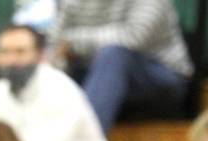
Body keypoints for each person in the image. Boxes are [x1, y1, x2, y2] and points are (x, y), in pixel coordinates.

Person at [47, 0, 193, 133]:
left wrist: (72, 43)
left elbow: (132, 38)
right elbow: (54, 44)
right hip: (94, 75)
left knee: (113, 55)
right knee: (42, 67)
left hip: (161, 77)